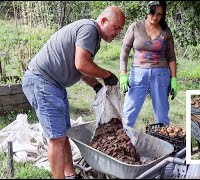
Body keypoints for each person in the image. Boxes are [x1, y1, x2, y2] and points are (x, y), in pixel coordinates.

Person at [22, 6, 125, 179]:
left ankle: (71, 175)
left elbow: (80, 68)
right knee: (56, 138)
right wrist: (107, 75)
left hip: (54, 85)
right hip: (42, 81)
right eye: (116, 27)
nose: (117, 33)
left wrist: (96, 86)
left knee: (63, 134)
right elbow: (81, 64)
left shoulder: (91, 34)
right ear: (103, 21)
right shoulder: (90, 30)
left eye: (120, 30)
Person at [119, 1, 178, 128]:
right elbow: (124, 50)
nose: (155, 17)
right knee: (129, 113)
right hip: (138, 75)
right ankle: (123, 141)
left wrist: (173, 79)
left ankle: (163, 142)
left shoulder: (166, 31)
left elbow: (171, 56)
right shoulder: (135, 27)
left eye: (159, 14)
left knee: (162, 115)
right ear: (147, 11)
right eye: (152, 13)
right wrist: (123, 74)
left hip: (161, 75)